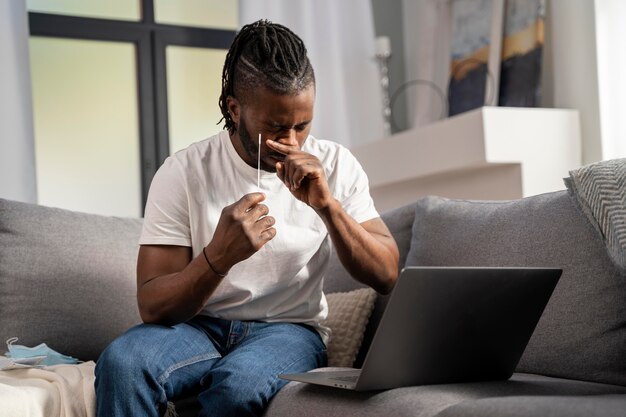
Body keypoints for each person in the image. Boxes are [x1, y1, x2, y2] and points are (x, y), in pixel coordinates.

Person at [94, 19, 399, 417]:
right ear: (234, 109)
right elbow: (153, 305)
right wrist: (218, 257)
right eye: (275, 127)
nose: (290, 142)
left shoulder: (336, 165)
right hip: (198, 328)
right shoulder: (184, 171)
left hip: (289, 332)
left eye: (302, 126)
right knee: (123, 363)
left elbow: (388, 272)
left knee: (240, 385)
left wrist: (328, 207)